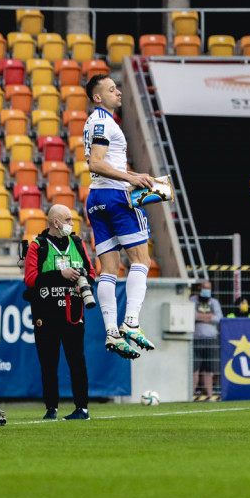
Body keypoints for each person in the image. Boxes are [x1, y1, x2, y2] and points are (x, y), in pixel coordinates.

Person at [83, 73, 156, 360]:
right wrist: (132, 177)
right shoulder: (102, 122)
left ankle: (112, 331)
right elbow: (96, 162)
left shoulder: (93, 122)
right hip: (115, 196)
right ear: (97, 97)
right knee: (141, 260)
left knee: (109, 270)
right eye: (112, 90)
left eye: (117, 88)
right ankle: (132, 322)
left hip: (96, 199)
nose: (119, 93)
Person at [23, 204, 96, 420]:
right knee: (49, 364)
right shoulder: (38, 246)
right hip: (46, 316)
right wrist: (60, 274)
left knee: (77, 363)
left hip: (73, 315)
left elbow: (91, 272)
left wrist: (83, 283)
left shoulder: (77, 243)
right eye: (68, 220)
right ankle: (51, 409)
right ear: (55, 222)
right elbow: (30, 280)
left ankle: (82, 408)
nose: (72, 224)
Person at [192, 281, 223, 398]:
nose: (207, 290)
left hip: (211, 339)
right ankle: (192, 395)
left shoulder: (214, 302)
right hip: (196, 338)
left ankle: (209, 396)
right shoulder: (192, 300)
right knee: (194, 369)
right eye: (205, 287)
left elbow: (219, 318)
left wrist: (200, 316)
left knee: (209, 370)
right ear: (199, 287)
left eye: (209, 288)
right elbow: (191, 315)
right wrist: (208, 317)